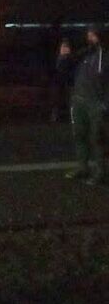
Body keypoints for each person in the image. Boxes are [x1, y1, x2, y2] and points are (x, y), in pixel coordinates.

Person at [58, 25, 107, 185]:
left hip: (96, 102)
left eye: (93, 34)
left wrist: (105, 104)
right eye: (89, 34)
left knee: (96, 138)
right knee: (79, 135)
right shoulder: (83, 54)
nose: (90, 37)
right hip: (79, 101)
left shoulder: (105, 56)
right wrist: (63, 56)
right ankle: (83, 167)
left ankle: (100, 172)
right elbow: (63, 69)